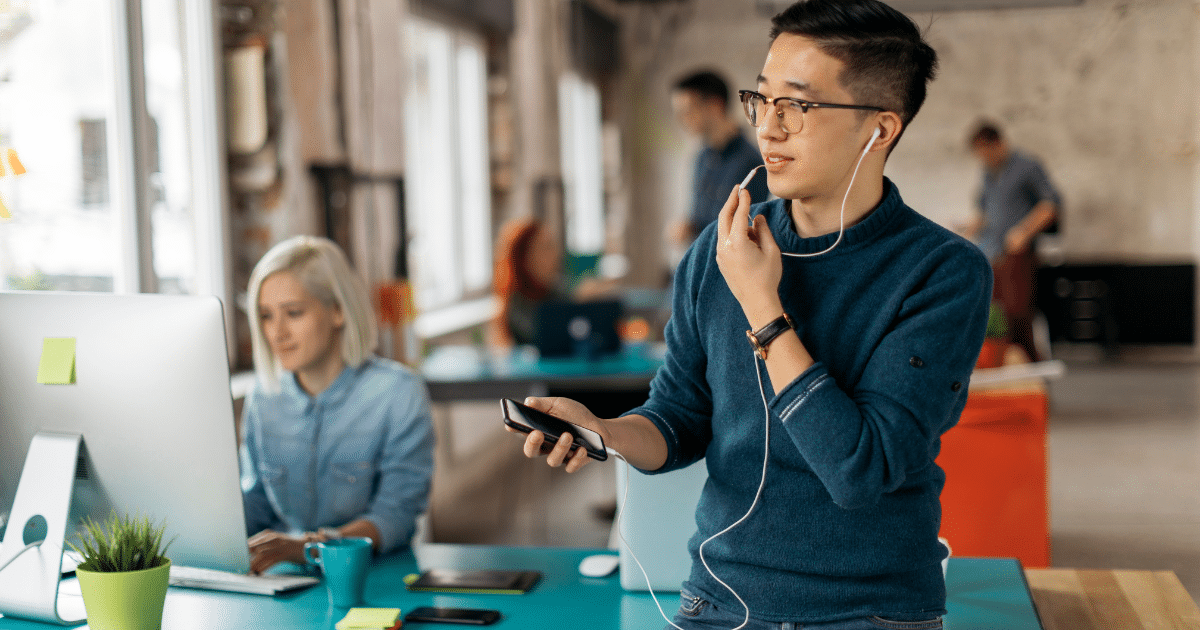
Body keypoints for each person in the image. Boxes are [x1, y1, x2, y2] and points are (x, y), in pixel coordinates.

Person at [508, 1, 992, 629]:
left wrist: (763, 305)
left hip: (868, 612)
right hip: (717, 601)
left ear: (880, 129)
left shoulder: (941, 272)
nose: (769, 126)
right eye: (761, 100)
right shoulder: (723, 246)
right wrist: (603, 429)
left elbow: (860, 471)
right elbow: (678, 419)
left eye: (798, 105)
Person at [240, 235, 435, 574]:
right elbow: (255, 505)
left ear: (338, 311)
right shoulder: (263, 397)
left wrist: (307, 548)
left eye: (294, 313)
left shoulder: (398, 394)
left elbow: (395, 516)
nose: (276, 333)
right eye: (266, 316)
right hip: (285, 583)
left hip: (377, 577)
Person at [963, 122, 1061, 362]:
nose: (982, 157)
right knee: (995, 319)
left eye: (985, 151)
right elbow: (985, 213)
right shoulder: (988, 174)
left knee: (1018, 316)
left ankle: (1036, 372)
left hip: (1018, 253)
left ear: (998, 143)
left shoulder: (1027, 166)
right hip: (992, 253)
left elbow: (1050, 206)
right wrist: (966, 228)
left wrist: (1024, 232)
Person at [670, 70, 770, 247]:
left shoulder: (750, 162)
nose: (683, 120)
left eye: (688, 110)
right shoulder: (701, 158)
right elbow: (700, 217)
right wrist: (689, 227)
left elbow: (748, 232)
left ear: (715, 105)